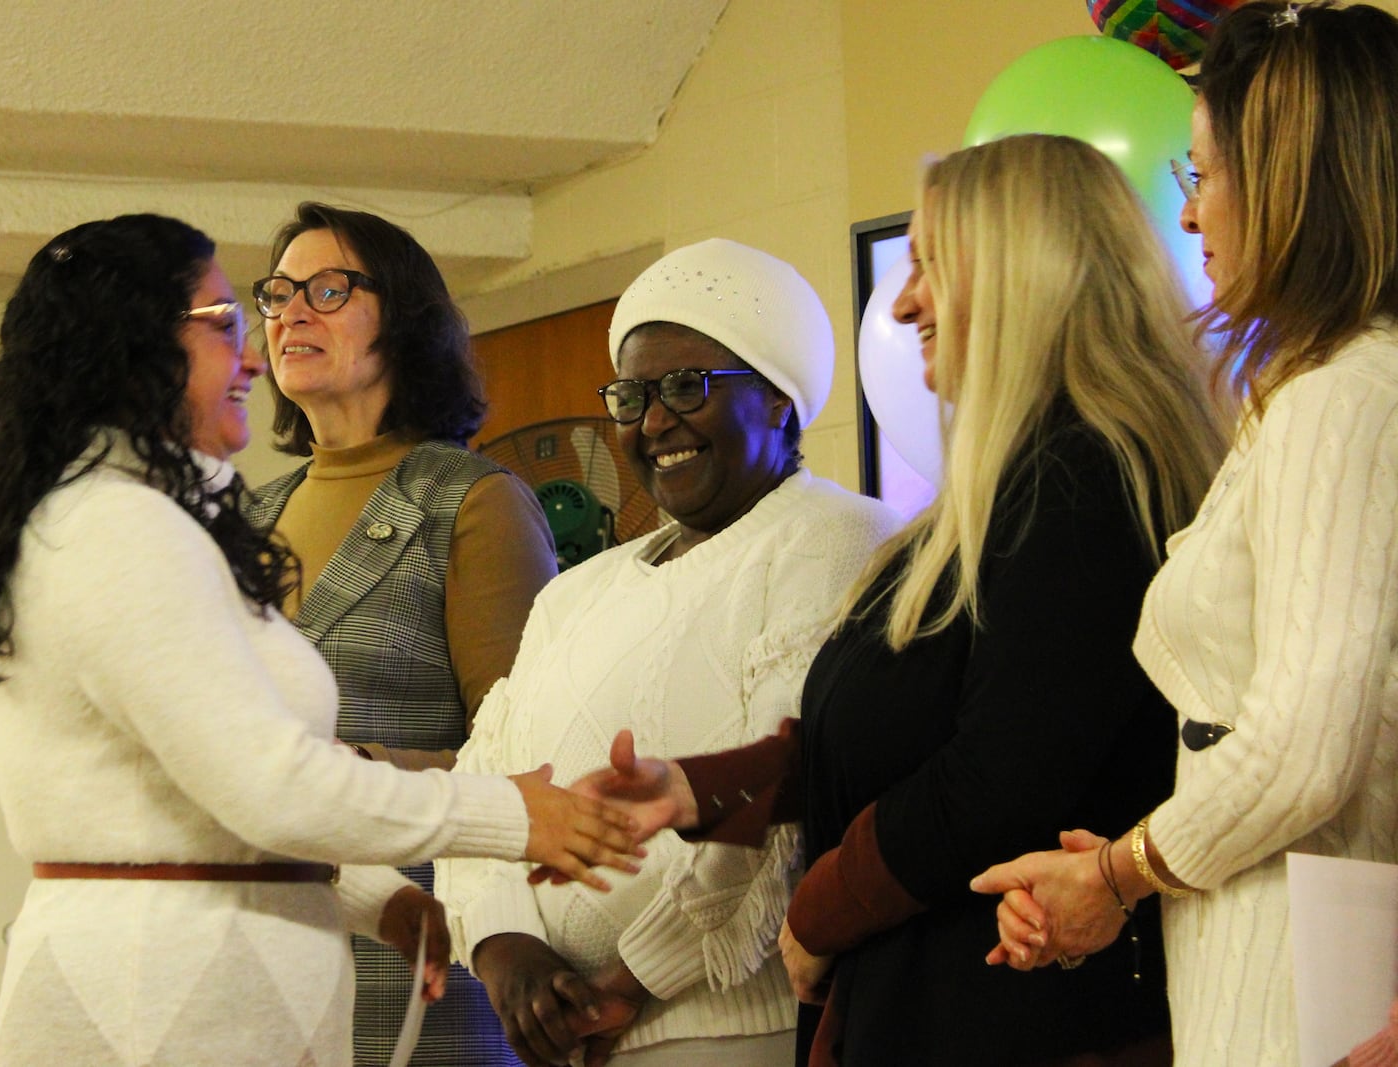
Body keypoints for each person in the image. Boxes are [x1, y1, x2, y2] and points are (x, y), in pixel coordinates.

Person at [0, 213, 643, 1067]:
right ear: (135, 345)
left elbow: (203, 795)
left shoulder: (161, 518)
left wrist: (375, 898)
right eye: (231, 319)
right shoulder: (122, 526)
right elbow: (266, 781)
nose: (257, 349)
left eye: (325, 292)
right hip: (162, 997)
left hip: (205, 983)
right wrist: (515, 811)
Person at [563, 135, 1227, 1066]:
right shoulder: (1008, 491)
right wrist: (703, 787)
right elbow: (899, 727)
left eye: (928, 266)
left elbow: (1000, 776)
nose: (905, 301)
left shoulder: (1086, 482)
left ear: (1022, 274)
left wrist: (820, 909)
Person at [972, 5, 1398, 1066]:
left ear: (1289, 185)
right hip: (1261, 926)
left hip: (1300, 956)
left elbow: (1305, 746)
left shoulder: (1340, 396)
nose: (1192, 214)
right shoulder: (1309, 391)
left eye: (1202, 175)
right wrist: (1113, 877)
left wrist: (1119, 869)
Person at [433, 238, 903, 1066]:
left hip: (734, 1029)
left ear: (780, 401)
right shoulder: (575, 592)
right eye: (632, 394)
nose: (653, 422)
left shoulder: (837, 536)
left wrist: (631, 977)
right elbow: (485, 786)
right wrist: (507, 952)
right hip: (565, 1042)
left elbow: (777, 796)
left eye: (688, 387)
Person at [243, 202, 558, 1065]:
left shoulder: (470, 501)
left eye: (329, 289)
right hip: (253, 974)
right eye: (276, 294)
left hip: (415, 976)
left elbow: (527, 763)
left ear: (406, 321)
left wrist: (364, 775)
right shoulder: (242, 519)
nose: (291, 312)